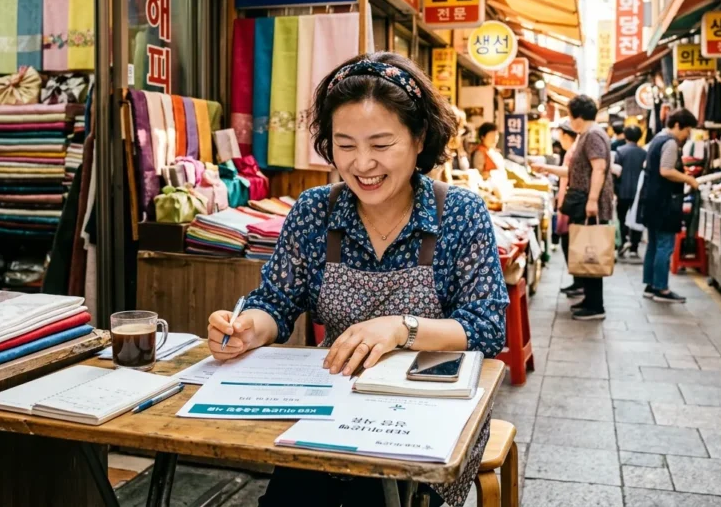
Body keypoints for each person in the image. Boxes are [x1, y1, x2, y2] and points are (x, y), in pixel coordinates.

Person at [206, 52, 508, 507]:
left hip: (427, 413)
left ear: (419, 137)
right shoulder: (314, 212)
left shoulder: (460, 213)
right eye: (345, 145)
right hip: (331, 405)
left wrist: (400, 328)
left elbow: (487, 327)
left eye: (381, 144)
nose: (362, 163)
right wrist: (248, 328)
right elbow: (276, 302)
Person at [638, 109, 700, 303]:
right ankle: (661, 289)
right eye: (687, 130)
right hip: (665, 201)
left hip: (652, 199)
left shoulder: (657, 138)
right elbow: (665, 170)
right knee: (665, 245)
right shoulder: (670, 142)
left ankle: (650, 285)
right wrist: (689, 179)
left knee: (654, 244)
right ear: (677, 125)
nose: (687, 135)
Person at [561, 94, 613, 320]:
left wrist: (592, 200)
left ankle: (595, 306)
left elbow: (598, 168)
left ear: (579, 116)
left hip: (588, 202)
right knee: (587, 249)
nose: (570, 120)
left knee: (591, 249)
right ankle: (590, 299)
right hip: (583, 200)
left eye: (571, 115)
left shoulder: (592, 135)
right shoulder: (589, 134)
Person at [534, 124, 580, 296]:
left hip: (571, 202)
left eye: (561, 136)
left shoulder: (574, 150)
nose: (560, 141)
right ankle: (578, 281)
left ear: (567, 136)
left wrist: (546, 168)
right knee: (568, 241)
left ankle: (579, 281)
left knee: (570, 242)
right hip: (567, 200)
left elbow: (570, 172)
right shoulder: (573, 150)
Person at [614, 126, 646, 259]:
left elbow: (615, 173)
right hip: (639, 192)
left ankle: (622, 243)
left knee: (621, 218)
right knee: (637, 218)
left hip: (622, 190)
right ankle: (634, 246)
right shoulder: (644, 153)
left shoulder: (620, 151)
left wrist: (615, 191)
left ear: (625, 136)